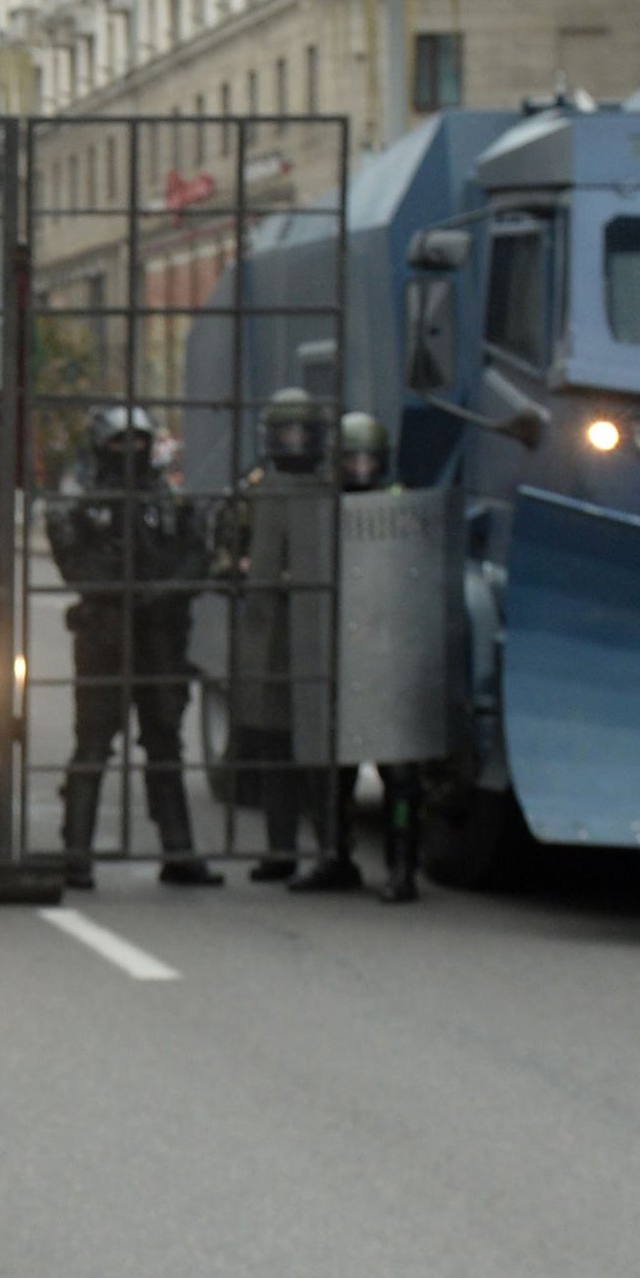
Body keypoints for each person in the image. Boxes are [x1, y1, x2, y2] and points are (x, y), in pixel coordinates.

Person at [45, 404, 218, 887]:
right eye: (120, 442)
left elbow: (195, 557)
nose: (130, 452)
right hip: (105, 635)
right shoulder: (82, 501)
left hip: (161, 636)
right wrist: (116, 589)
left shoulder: (168, 498)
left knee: (165, 743)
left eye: (137, 442)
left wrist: (160, 590)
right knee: (94, 745)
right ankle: (76, 852)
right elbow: (72, 559)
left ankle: (179, 850)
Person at [226, 386, 339, 882]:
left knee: (319, 752)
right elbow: (225, 545)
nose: (293, 442)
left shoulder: (332, 493)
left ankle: (331, 850)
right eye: (284, 432)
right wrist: (233, 569)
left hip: (317, 634)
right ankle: (281, 848)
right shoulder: (253, 491)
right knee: (272, 748)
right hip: (266, 635)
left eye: (301, 432)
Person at [332, 410, 422, 902]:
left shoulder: (402, 504)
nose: (361, 467)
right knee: (334, 767)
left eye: (368, 458)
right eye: (352, 458)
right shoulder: (324, 505)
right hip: (341, 645)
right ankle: (335, 856)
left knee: (400, 772)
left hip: (388, 648)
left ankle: (402, 866)